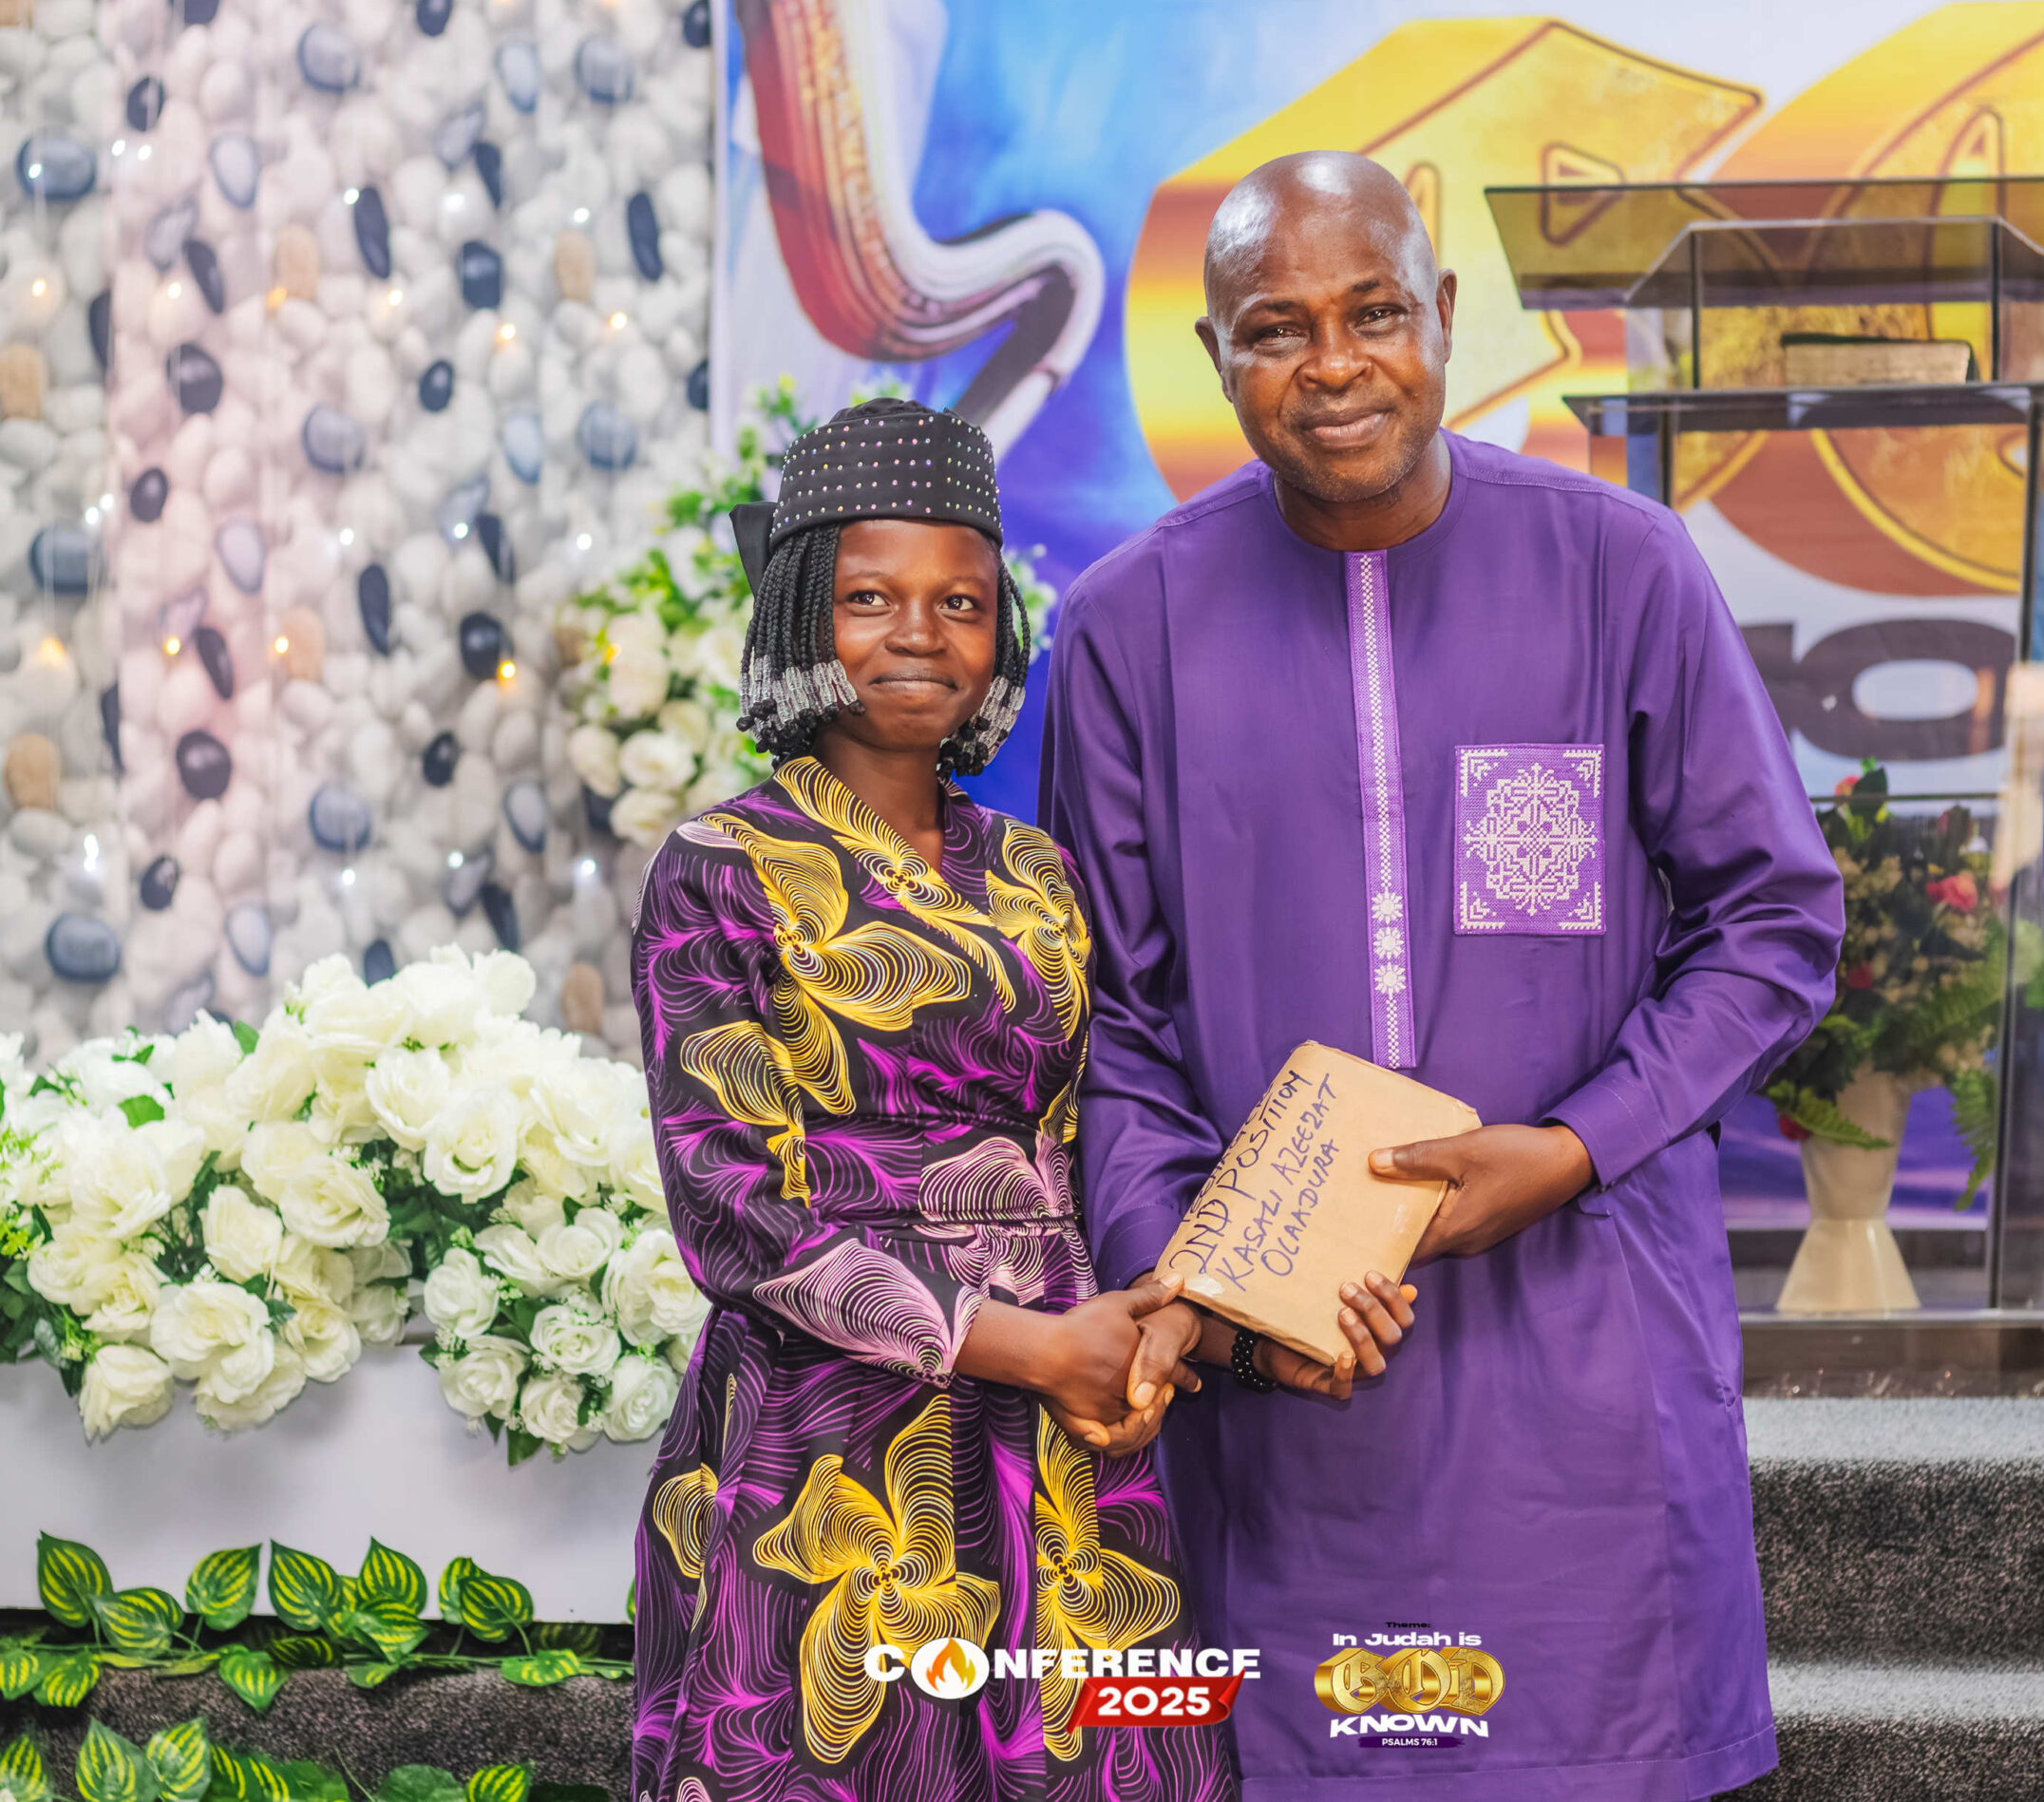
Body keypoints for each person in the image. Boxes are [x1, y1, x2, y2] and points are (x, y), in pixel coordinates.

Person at [1038, 154, 1844, 1799]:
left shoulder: (1622, 569)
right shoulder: (1132, 627)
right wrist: (1198, 1293)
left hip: (1585, 1332)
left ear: (1447, 317)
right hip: (1282, 1381)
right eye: (1277, 329)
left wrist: (1574, 1146)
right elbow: (1111, 1021)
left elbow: (1773, 922)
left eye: (1374, 313)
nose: (1333, 365)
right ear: (1216, 359)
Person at [629, 397, 1235, 1802]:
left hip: (1067, 1424)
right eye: (870, 598)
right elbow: (731, 1212)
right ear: (802, 612)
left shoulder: (1036, 870)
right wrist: (1025, 1347)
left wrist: (1144, 1335)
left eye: (960, 602)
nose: (920, 633)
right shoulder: (719, 866)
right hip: (824, 1442)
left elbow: (1086, 1137)